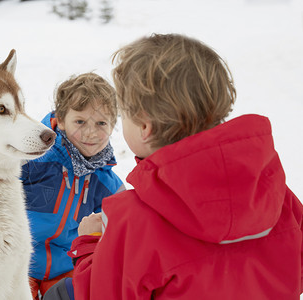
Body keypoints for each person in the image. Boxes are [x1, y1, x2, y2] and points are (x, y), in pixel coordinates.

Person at [65, 34, 303, 299]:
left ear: (145, 127)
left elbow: (103, 294)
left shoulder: (132, 220)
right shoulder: (277, 196)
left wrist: (89, 246)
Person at [21, 72, 125, 299]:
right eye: (80, 121)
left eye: (101, 123)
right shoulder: (33, 160)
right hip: (19, 264)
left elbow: (120, 229)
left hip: (66, 268)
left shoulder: (107, 184)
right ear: (61, 120)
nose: (90, 132)